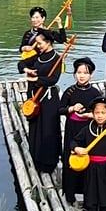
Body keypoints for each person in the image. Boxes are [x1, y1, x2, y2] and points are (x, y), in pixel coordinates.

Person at [19, 29, 64, 173]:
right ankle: (36, 158)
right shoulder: (37, 56)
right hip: (33, 96)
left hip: (48, 97)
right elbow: (20, 64)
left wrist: (37, 79)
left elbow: (53, 79)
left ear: (49, 42)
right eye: (37, 43)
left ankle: (49, 161)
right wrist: (28, 70)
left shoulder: (56, 58)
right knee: (35, 126)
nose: (38, 46)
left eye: (40, 43)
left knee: (48, 127)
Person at [59, 57, 101, 205]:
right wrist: (71, 108)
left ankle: (88, 191)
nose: (81, 75)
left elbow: (101, 112)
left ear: (91, 75)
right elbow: (60, 109)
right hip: (72, 128)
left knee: (89, 158)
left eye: (85, 72)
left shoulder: (96, 93)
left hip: (89, 129)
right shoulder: (70, 91)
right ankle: (70, 192)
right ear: (74, 74)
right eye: (79, 72)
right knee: (71, 157)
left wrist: (90, 115)